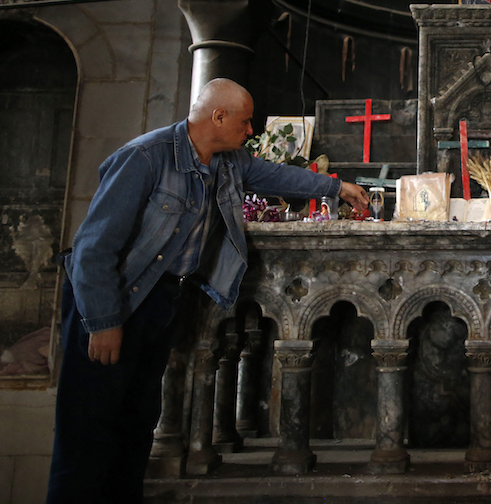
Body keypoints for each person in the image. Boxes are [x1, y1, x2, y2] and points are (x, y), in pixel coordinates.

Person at [46, 78, 368, 504]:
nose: (250, 130)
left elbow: (275, 175)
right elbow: (92, 249)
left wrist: (336, 187)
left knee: (136, 424)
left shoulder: (228, 161)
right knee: (88, 430)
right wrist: (104, 321)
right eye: (245, 120)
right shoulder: (145, 157)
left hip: (160, 302)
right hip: (111, 302)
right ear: (217, 116)